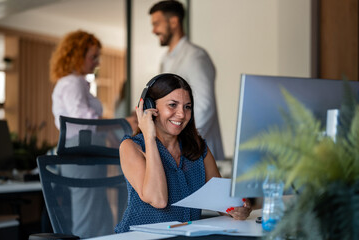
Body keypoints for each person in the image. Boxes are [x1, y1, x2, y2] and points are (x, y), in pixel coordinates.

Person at [114, 73, 254, 233]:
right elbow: (158, 199)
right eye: (172, 105)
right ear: (149, 106)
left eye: (187, 107)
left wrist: (240, 207)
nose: (181, 114)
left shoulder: (197, 147)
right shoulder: (132, 147)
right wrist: (149, 137)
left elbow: (222, 202)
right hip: (140, 237)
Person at [50, 30, 113, 238]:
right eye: (92, 57)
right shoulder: (71, 83)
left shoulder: (79, 84)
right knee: (87, 218)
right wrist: (121, 124)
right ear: (77, 55)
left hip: (88, 155)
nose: (96, 62)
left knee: (99, 216)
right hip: (81, 154)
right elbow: (84, 121)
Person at [149, 0, 225, 161]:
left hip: (195, 151)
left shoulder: (195, 57)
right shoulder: (165, 60)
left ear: (174, 22)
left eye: (157, 24)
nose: (154, 30)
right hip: (176, 150)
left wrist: (180, 140)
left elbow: (205, 106)